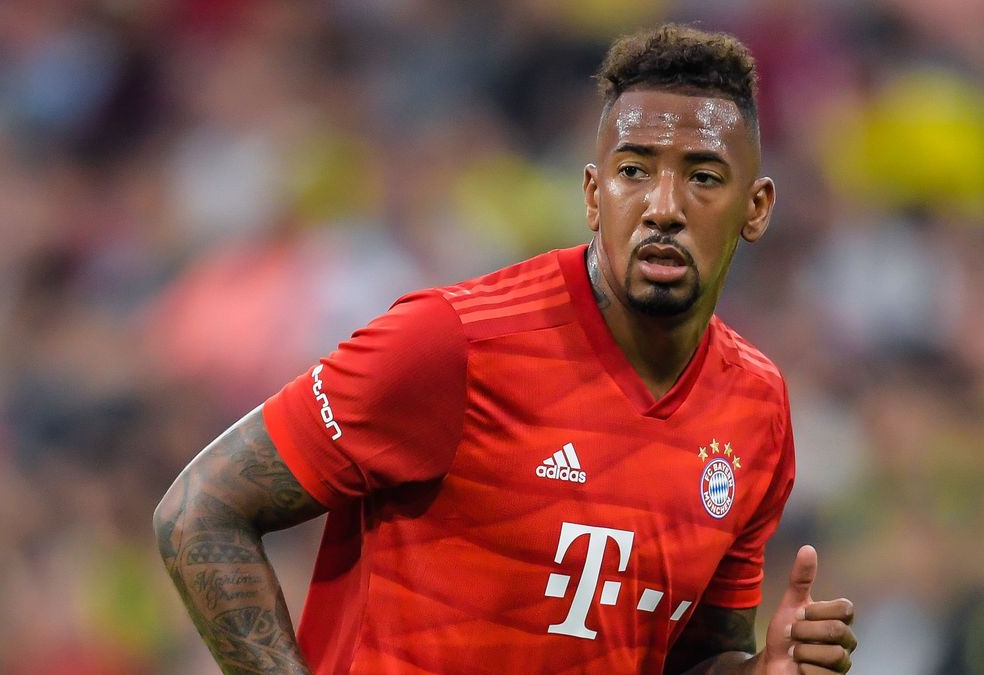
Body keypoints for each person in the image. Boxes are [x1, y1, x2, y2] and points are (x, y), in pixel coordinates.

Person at [154, 24, 858, 675]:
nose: (663, 205)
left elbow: (694, 658)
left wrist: (761, 670)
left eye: (703, 177)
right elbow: (200, 509)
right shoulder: (451, 344)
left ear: (757, 207)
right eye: (635, 171)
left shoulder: (754, 408)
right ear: (593, 194)